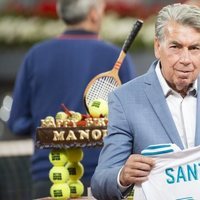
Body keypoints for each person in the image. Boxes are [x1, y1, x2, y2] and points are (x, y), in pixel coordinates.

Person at [7, 0, 136, 199]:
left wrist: (51, 128)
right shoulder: (114, 55)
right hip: (105, 178)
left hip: (50, 177)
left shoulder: (35, 55)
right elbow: (134, 122)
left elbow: (17, 123)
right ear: (94, 14)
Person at [91, 3, 200, 200]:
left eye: (194, 48)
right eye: (175, 47)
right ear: (158, 47)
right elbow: (100, 182)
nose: (186, 59)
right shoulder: (124, 99)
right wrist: (122, 176)